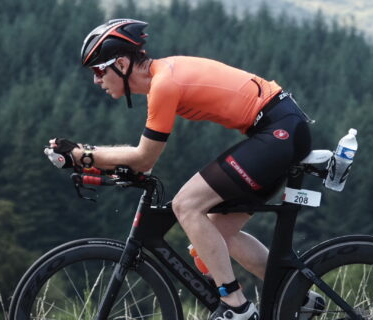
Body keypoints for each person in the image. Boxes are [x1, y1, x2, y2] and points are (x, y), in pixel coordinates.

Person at [46, 19, 313, 320]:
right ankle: (299, 296)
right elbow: (141, 160)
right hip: (282, 129)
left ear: (121, 63)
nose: (96, 80)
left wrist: (83, 156)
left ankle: (236, 308)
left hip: (277, 132)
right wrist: (90, 158)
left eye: (98, 70)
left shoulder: (163, 84)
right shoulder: (162, 77)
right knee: (215, 236)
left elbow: (144, 158)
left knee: (186, 205)